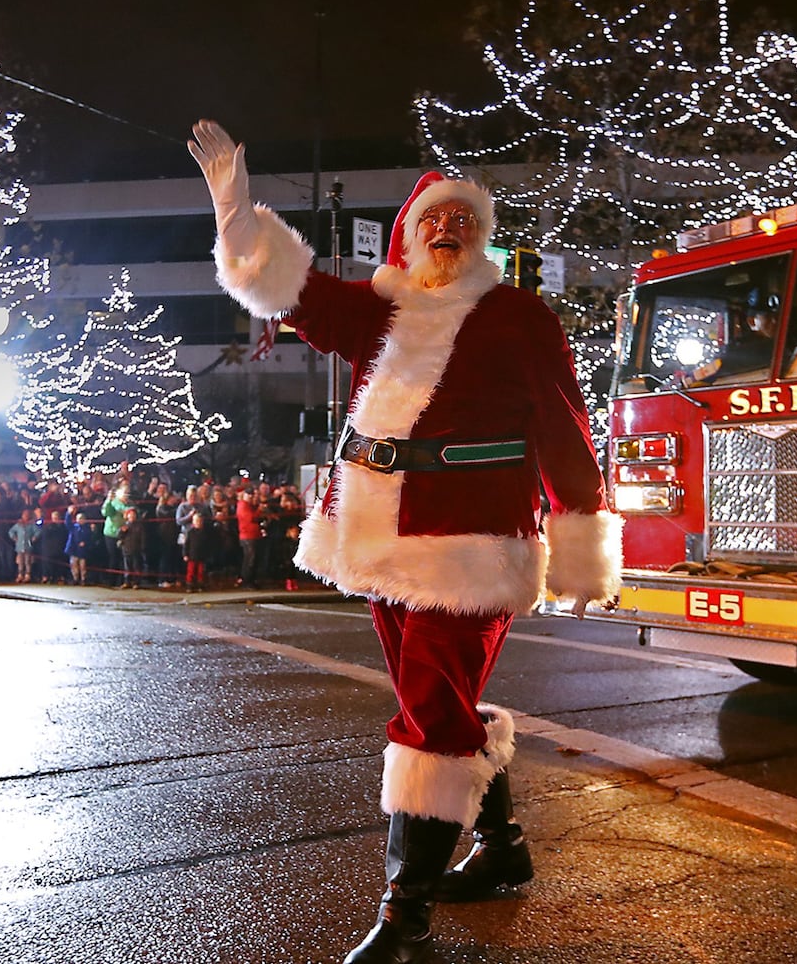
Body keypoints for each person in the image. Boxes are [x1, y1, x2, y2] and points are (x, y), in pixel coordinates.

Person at [190, 120, 621, 964]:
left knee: (428, 709)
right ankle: (501, 851)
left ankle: (405, 916)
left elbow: (567, 430)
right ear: (409, 234)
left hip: (475, 544)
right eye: (433, 219)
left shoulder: (518, 316)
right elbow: (290, 288)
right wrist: (235, 209)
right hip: (378, 537)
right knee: (444, 707)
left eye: (464, 220)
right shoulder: (377, 310)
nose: (448, 229)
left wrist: (579, 539)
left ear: (482, 235)